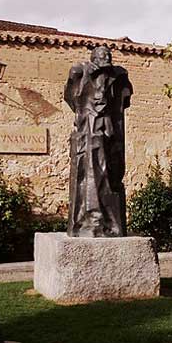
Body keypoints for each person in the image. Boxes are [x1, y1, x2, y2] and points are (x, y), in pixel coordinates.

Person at [63, 46, 133, 237]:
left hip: (109, 131)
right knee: (93, 172)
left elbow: (123, 100)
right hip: (90, 130)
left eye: (108, 56)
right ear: (94, 58)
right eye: (103, 56)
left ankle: (107, 222)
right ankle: (94, 221)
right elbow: (71, 98)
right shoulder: (80, 73)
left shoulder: (118, 76)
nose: (107, 58)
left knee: (110, 172)